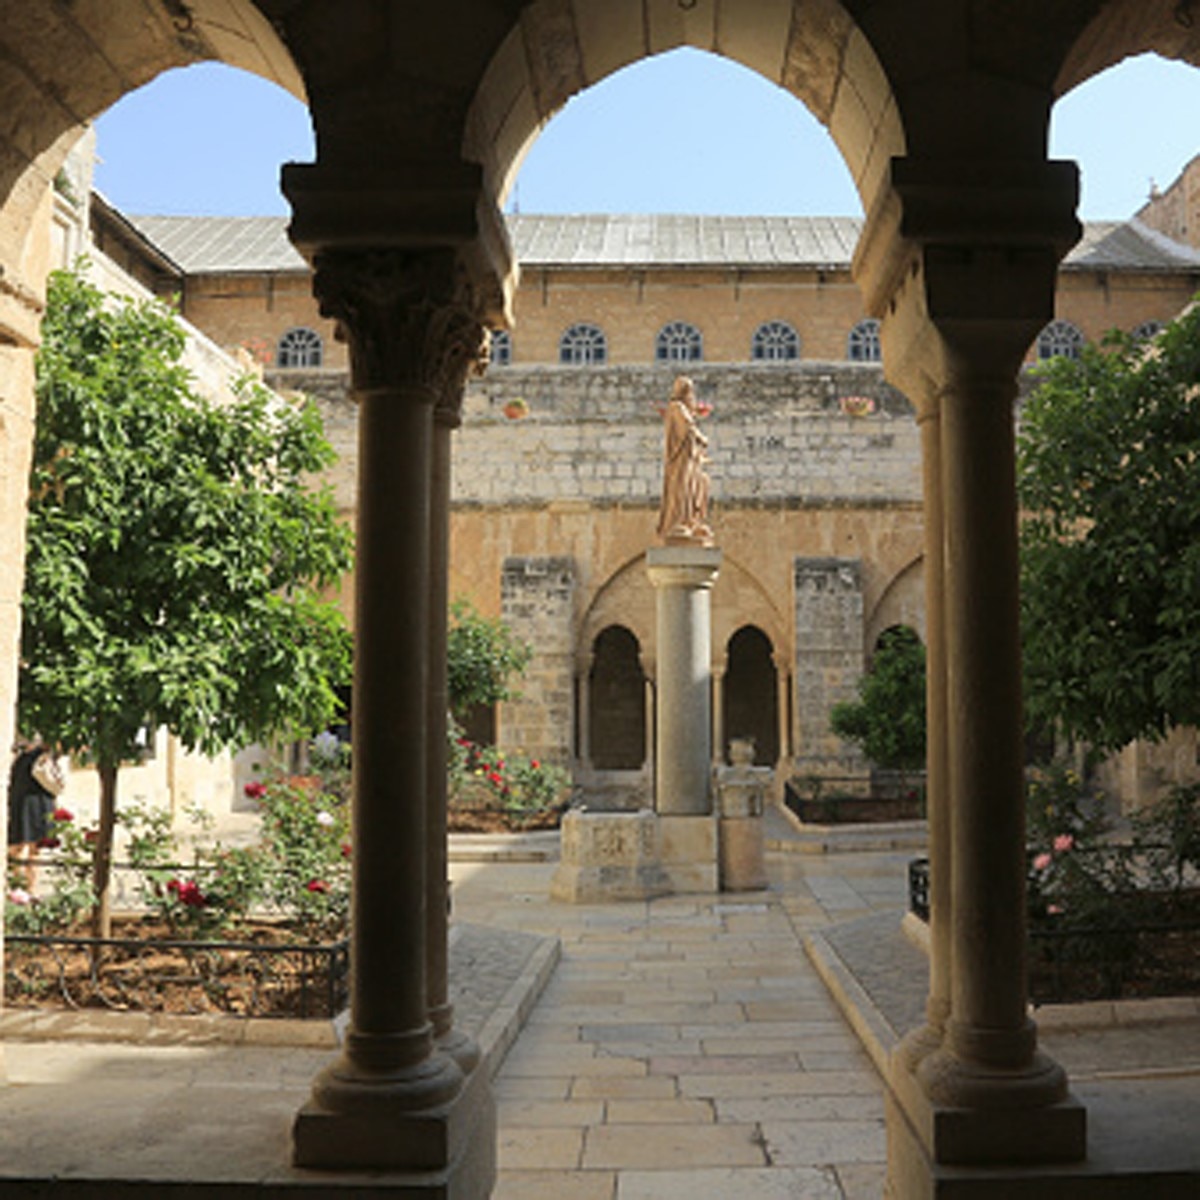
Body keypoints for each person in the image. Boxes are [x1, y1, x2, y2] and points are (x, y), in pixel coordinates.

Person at [656, 374, 714, 545]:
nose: (691, 395)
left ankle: (692, 522)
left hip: (691, 459)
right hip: (681, 461)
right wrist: (703, 438)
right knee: (682, 489)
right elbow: (688, 427)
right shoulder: (676, 407)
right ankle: (678, 523)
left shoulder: (681, 409)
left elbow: (689, 422)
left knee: (698, 485)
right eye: (689, 391)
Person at [7, 737, 63, 890]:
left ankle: (23, 889)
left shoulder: (30, 757)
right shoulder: (33, 757)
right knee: (25, 849)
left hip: (29, 802)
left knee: (26, 848)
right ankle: (23, 889)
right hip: (31, 803)